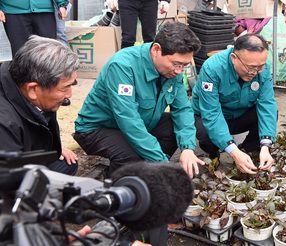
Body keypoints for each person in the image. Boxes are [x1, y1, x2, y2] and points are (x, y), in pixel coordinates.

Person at [73, 22, 204, 178]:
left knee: (172, 127)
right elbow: (129, 120)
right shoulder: (122, 66)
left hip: (142, 121)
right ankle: (116, 187)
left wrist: (188, 148)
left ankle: (148, 174)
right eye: (176, 64)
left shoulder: (173, 71)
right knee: (130, 155)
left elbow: (182, 109)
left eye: (184, 65)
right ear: (156, 50)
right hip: (98, 128)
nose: (179, 71)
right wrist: (162, 162)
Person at [191, 34, 277, 174]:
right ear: (234, 58)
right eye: (251, 67)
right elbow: (211, 113)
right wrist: (232, 150)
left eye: (260, 67)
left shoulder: (262, 69)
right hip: (209, 116)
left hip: (239, 115)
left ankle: (249, 151)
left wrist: (266, 145)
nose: (255, 72)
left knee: (270, 112)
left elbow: (267, 104)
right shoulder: (212, 68)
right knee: (206, 131)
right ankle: (214, 152)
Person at [0, 37, 79, 175]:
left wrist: (51, 152)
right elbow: (8, 176)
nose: (69, 95)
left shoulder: (30, 88)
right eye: (64, 88)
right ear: (32, 90)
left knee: (67, 163)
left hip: (21, 160)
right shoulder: (5, 122)